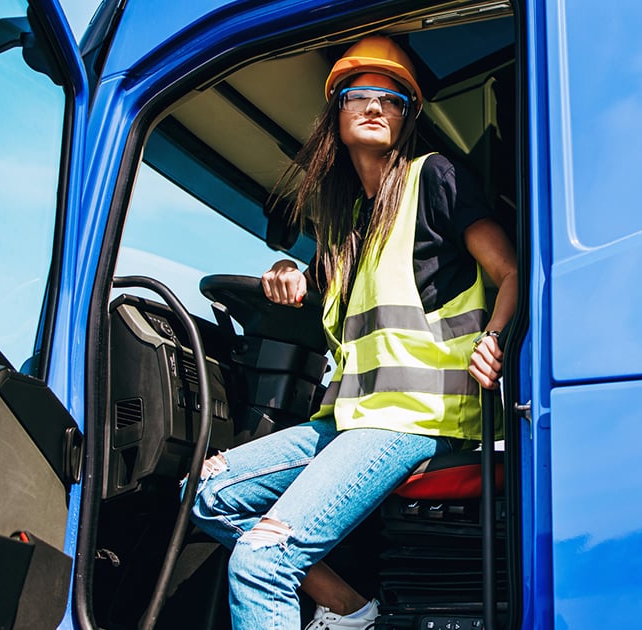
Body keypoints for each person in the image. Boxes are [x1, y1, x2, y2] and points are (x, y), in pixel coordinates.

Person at [188, 35, 517, 630]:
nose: (374, 105)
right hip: (349, 423)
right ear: (336, 113)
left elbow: (511, 272)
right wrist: (286, 273)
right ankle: (350, 610)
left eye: (390, 98)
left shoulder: (433, 179)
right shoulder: (348, 232)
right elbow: (310, 285)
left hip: (419, 419)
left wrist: (494, 338)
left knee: (261, 562)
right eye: (358, 95)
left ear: (407, 116)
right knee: (207, 494)